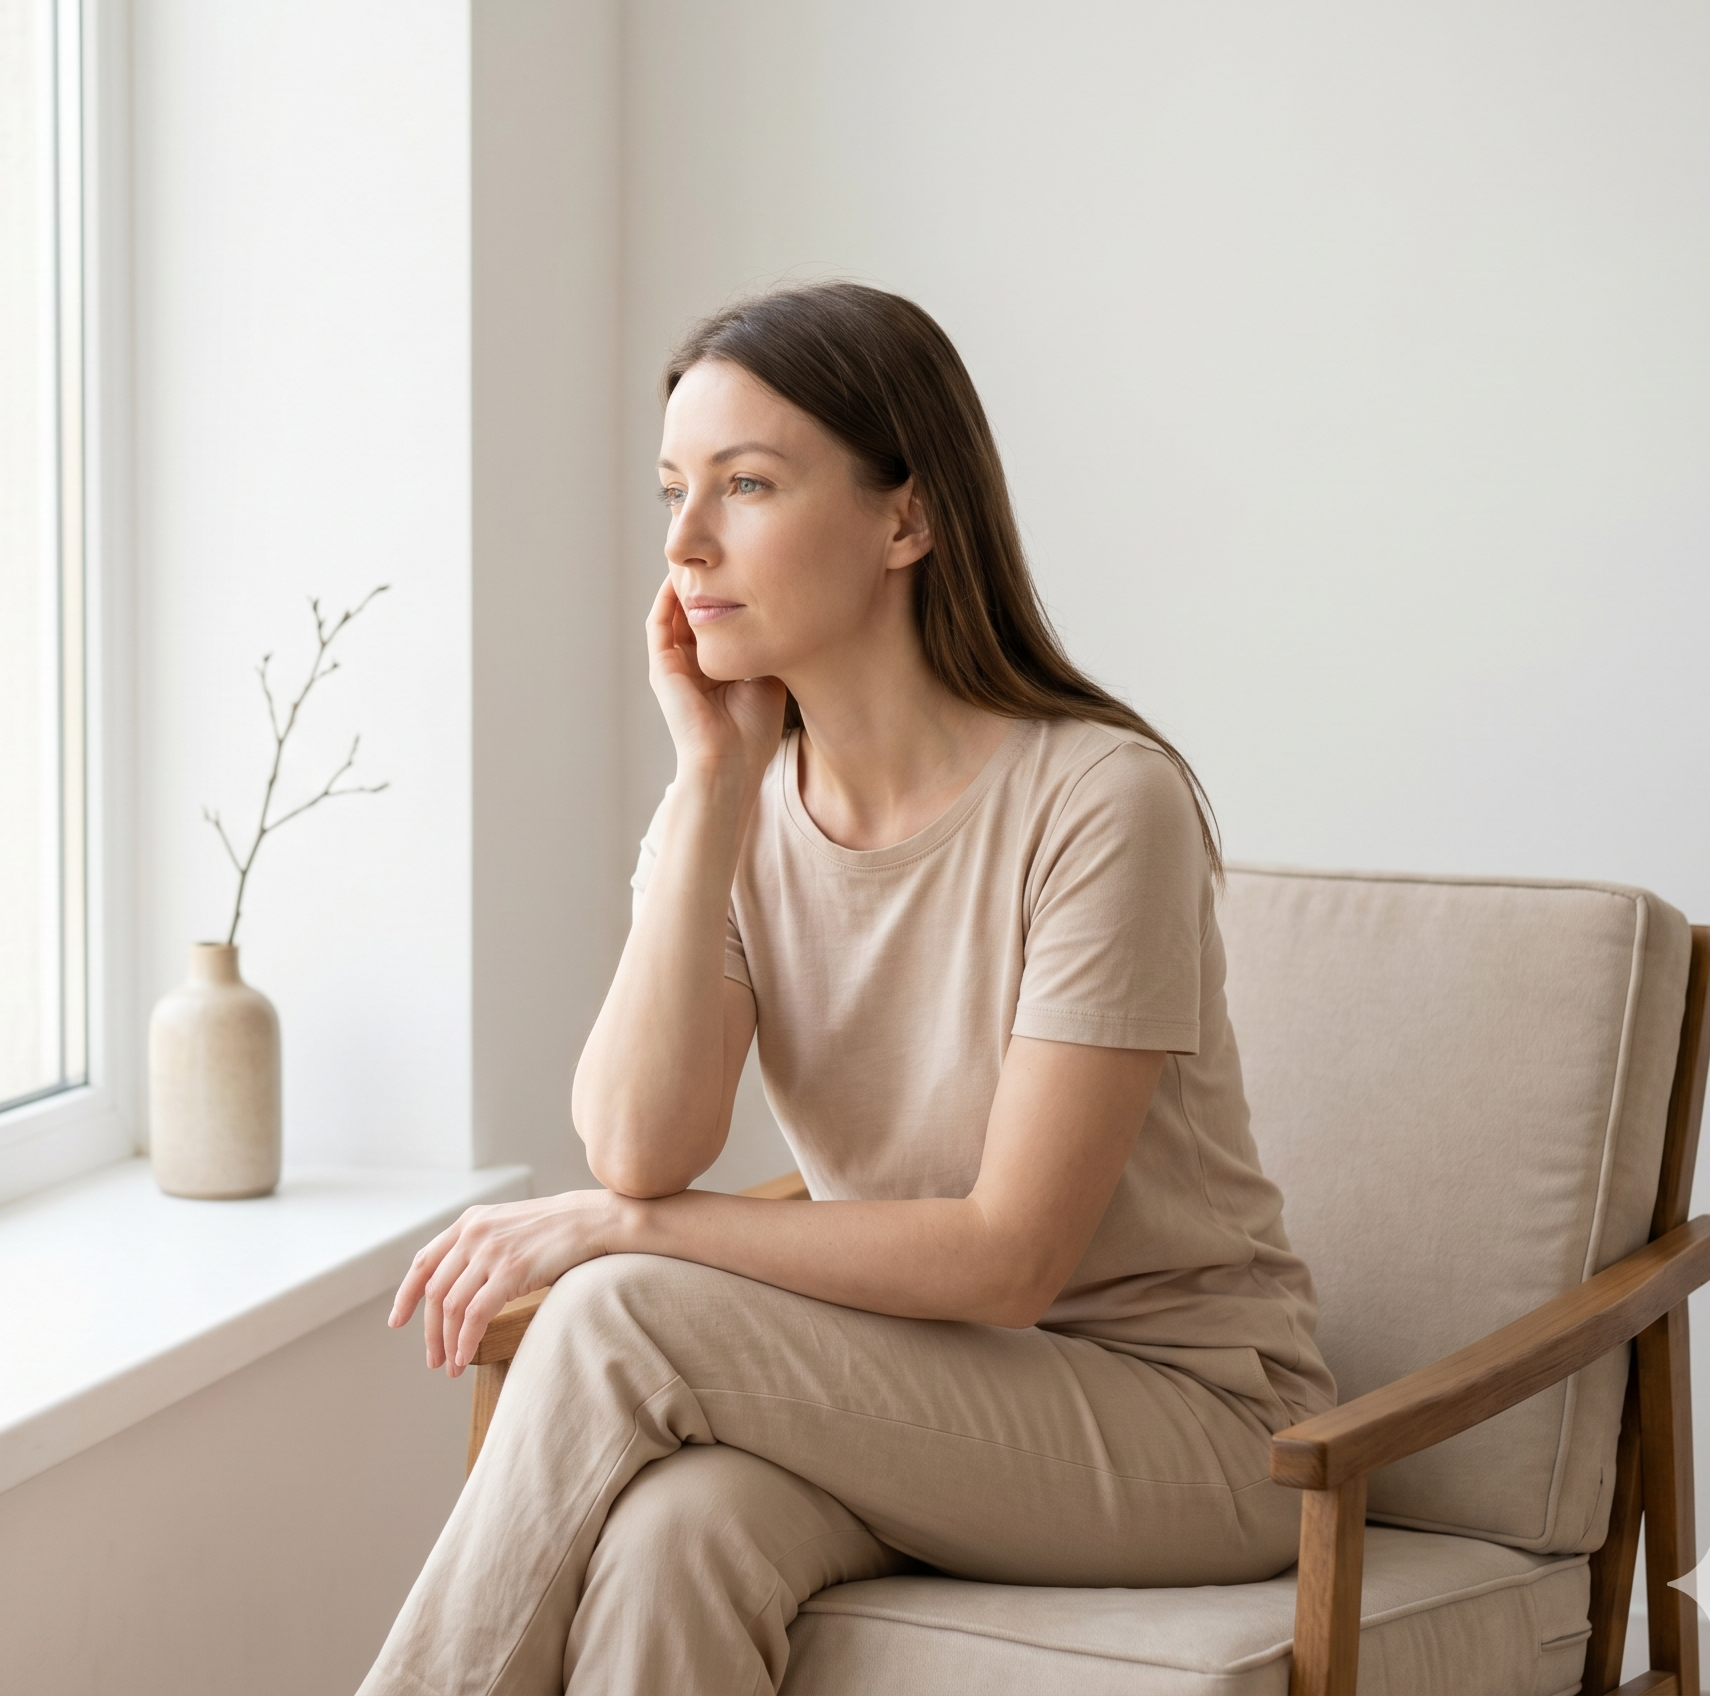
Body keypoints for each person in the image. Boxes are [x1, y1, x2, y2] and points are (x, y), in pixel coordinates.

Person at [359, 283, 1335, 1696]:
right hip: (913, 1390)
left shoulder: (1102, 801)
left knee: (618, 1305)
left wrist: (628, 1232)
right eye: (672, 492)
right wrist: (707, 786)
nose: (688, 545)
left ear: (904, 521)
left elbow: (1012, 1259)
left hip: (1192, 1428)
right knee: (679, 1538)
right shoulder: (736, 814)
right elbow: (638, 1143)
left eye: (748, 485)